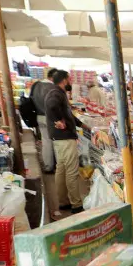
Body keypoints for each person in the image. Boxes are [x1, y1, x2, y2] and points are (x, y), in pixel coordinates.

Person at [47, 69, 86, 215]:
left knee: (61, 169)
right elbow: (52, 106)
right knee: (71, 171)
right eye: (68, 79)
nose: (70, 82)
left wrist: (81, 125)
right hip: (65, 138)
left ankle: (63, 202)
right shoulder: (56, 93)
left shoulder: (55, 92)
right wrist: (59, 121)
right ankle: (76, 204)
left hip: (59, 139)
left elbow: (67, 114)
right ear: (64, 80)